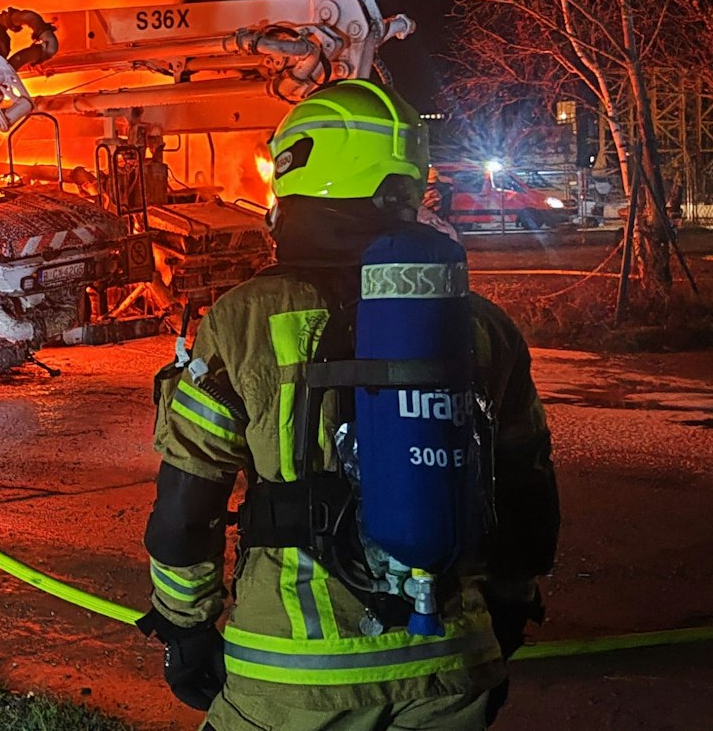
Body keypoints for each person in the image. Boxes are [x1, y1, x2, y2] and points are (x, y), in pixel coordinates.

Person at [140, 80, 560, 730]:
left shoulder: (245, 319)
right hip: (451, 662)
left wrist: (184, 628)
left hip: (293, 674)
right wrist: (507, 607)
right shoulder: (482, 324)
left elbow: (184, 509)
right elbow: (528, 497)